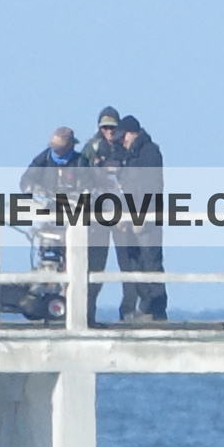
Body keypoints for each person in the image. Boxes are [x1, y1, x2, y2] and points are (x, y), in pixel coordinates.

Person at [115, 115, 167, 322]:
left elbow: (153, 185)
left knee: (151, 261)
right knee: (135, 262)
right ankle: (143, 308)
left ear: (132, 133)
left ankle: (155, 310)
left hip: (148, 216)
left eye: (123, 136)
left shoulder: (149, 151)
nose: (121, 140)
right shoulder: (130, 155)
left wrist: (143, 215)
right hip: (131, 216)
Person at [79, 107, 127, 324]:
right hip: (98, 214)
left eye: (113, 127)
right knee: (95, 266)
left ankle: (129, 313)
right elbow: (81, 177)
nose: (109, 131)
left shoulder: (124, 148)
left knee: (128, 263)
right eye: (105, 127)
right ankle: (87, 315)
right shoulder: (91, 149)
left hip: (121, 213)